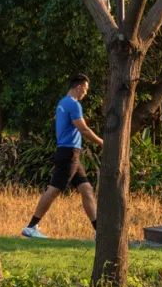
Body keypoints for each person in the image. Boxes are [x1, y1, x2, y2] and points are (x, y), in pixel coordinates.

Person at [21, 73, 103, 239]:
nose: (85, 93)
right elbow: (84, 129)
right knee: (54, 190)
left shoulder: (62, 103)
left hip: (71, 153)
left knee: (86, 189)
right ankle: (31, 227)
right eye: (85, 90)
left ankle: (98, 231)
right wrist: (103, 143)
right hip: (69, 153)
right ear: (79, 87)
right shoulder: (73, 104)